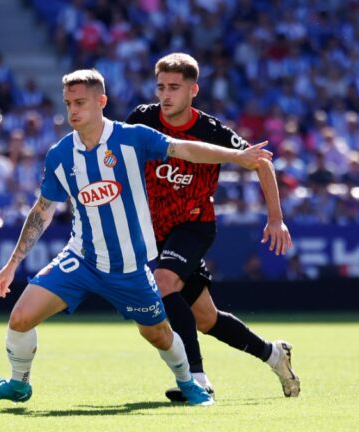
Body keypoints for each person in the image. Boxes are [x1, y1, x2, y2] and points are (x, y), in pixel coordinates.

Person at [0, 69, 272, 406]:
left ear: (101, 102)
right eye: (68, 103)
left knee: (157, 334)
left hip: (128, 267)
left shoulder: (132, 138)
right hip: (81, 259)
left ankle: (188, 382)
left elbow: (185, 150)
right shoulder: (60, 154)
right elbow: (43, 209)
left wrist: (237, 156)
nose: (72, 111)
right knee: (20, 317)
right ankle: (18, 383)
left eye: (81, 103)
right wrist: (12, 264)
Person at [125, 53, 300, 400]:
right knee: (205, 319)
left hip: (194, 226)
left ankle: (195, 379)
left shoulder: (211, 130)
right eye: (161, 87)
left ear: (193, 90)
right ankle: (273, 354)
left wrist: (276, 218)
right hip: (154, 231)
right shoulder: (142, 119)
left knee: (163, 283)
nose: (165, 95)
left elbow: (261, 163)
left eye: (174, 88)